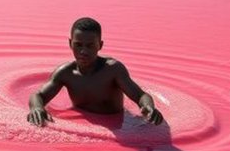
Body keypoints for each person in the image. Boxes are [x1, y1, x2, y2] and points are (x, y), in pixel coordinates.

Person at [27, 17, 164, 127]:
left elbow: (140, 95)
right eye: (78, 45)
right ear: (70, 43)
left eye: (90, 45)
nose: (83, 51)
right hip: (83, 125)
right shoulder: (65, 73)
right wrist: (37, 108)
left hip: (116, 125)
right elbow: (38, 95)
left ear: (100, 45)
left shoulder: (113, 70)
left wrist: (148, 107)